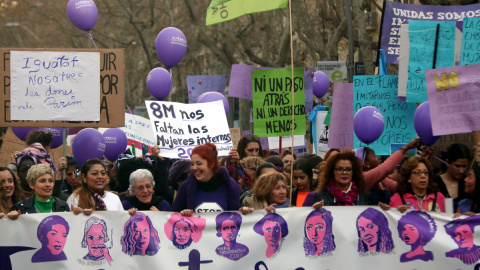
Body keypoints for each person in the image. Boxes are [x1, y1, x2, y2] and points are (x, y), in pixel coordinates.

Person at [173, 143, 241, 215]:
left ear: (211, 164)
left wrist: (245, 212)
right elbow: (174, 219)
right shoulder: (185, 187)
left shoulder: (231, 186)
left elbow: (236, 218)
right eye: (192, 164)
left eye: (199, 163)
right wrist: (183, 214)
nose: (194, 168)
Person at [303, 150, 372, 207]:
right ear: (332, 172)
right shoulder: (319, 196)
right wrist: (314, 211)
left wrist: (382, 209)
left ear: (353, 172)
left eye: (348, 169)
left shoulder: (364, 195)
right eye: (339, 169)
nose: (344, 172)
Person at [15, 130, 57, 195]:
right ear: (46, 146)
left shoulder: (32, 156)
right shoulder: (29, 158)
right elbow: (26, 182)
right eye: (49, 146)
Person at [434, 143, 470, 207]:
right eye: (457, 166)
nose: (461, 171)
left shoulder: (467, 183)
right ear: (447, 162)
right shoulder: (435, 182)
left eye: (464, 166)